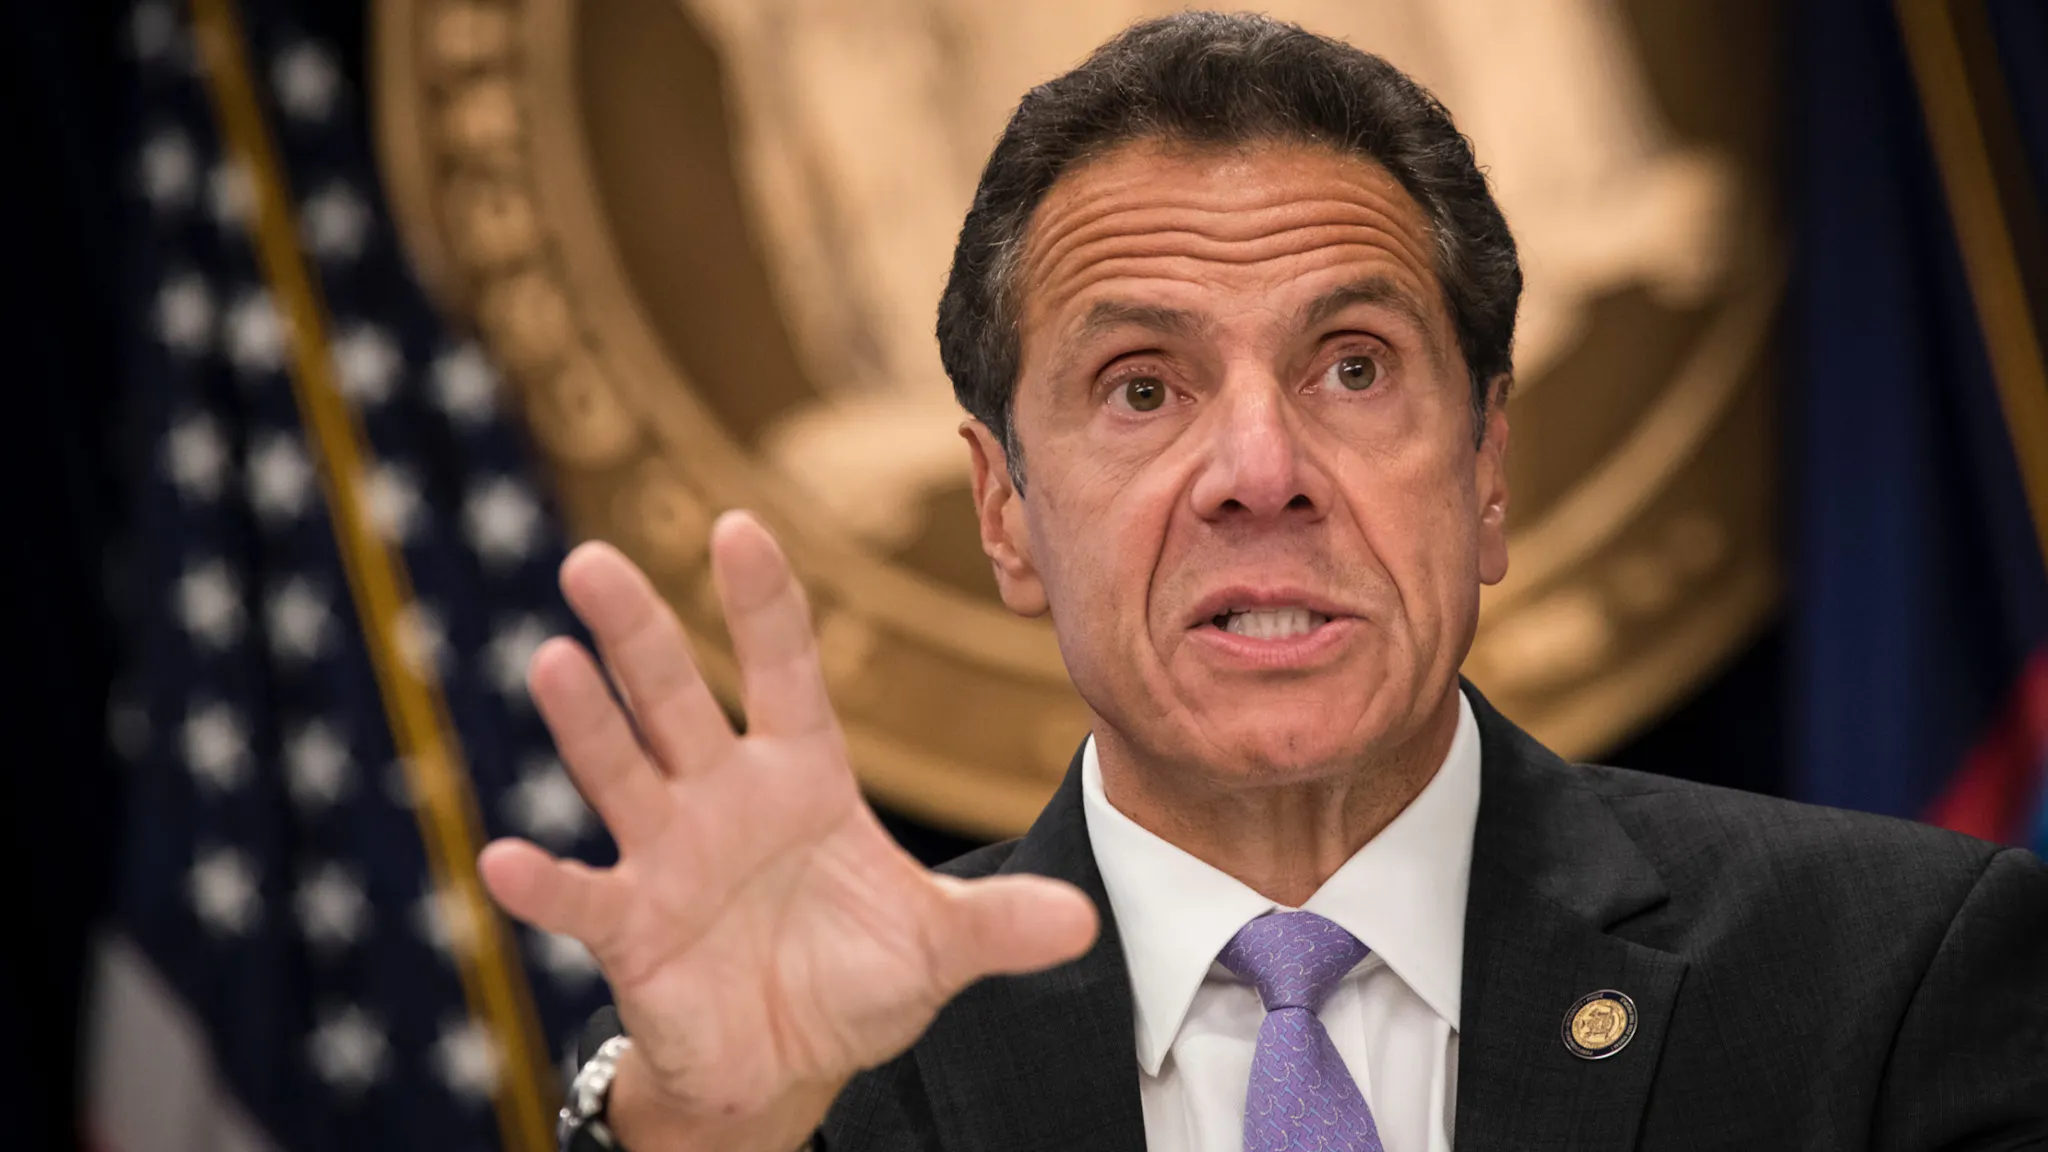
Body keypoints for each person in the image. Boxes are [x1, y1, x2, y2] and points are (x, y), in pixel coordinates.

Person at [478, 12, 2048, 1152]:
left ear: (1490, 467)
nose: (1261, 466)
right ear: (1005, 514)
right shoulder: (829, 1085)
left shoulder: (1893, 985)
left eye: (1352, 367)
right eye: (1143, 389)